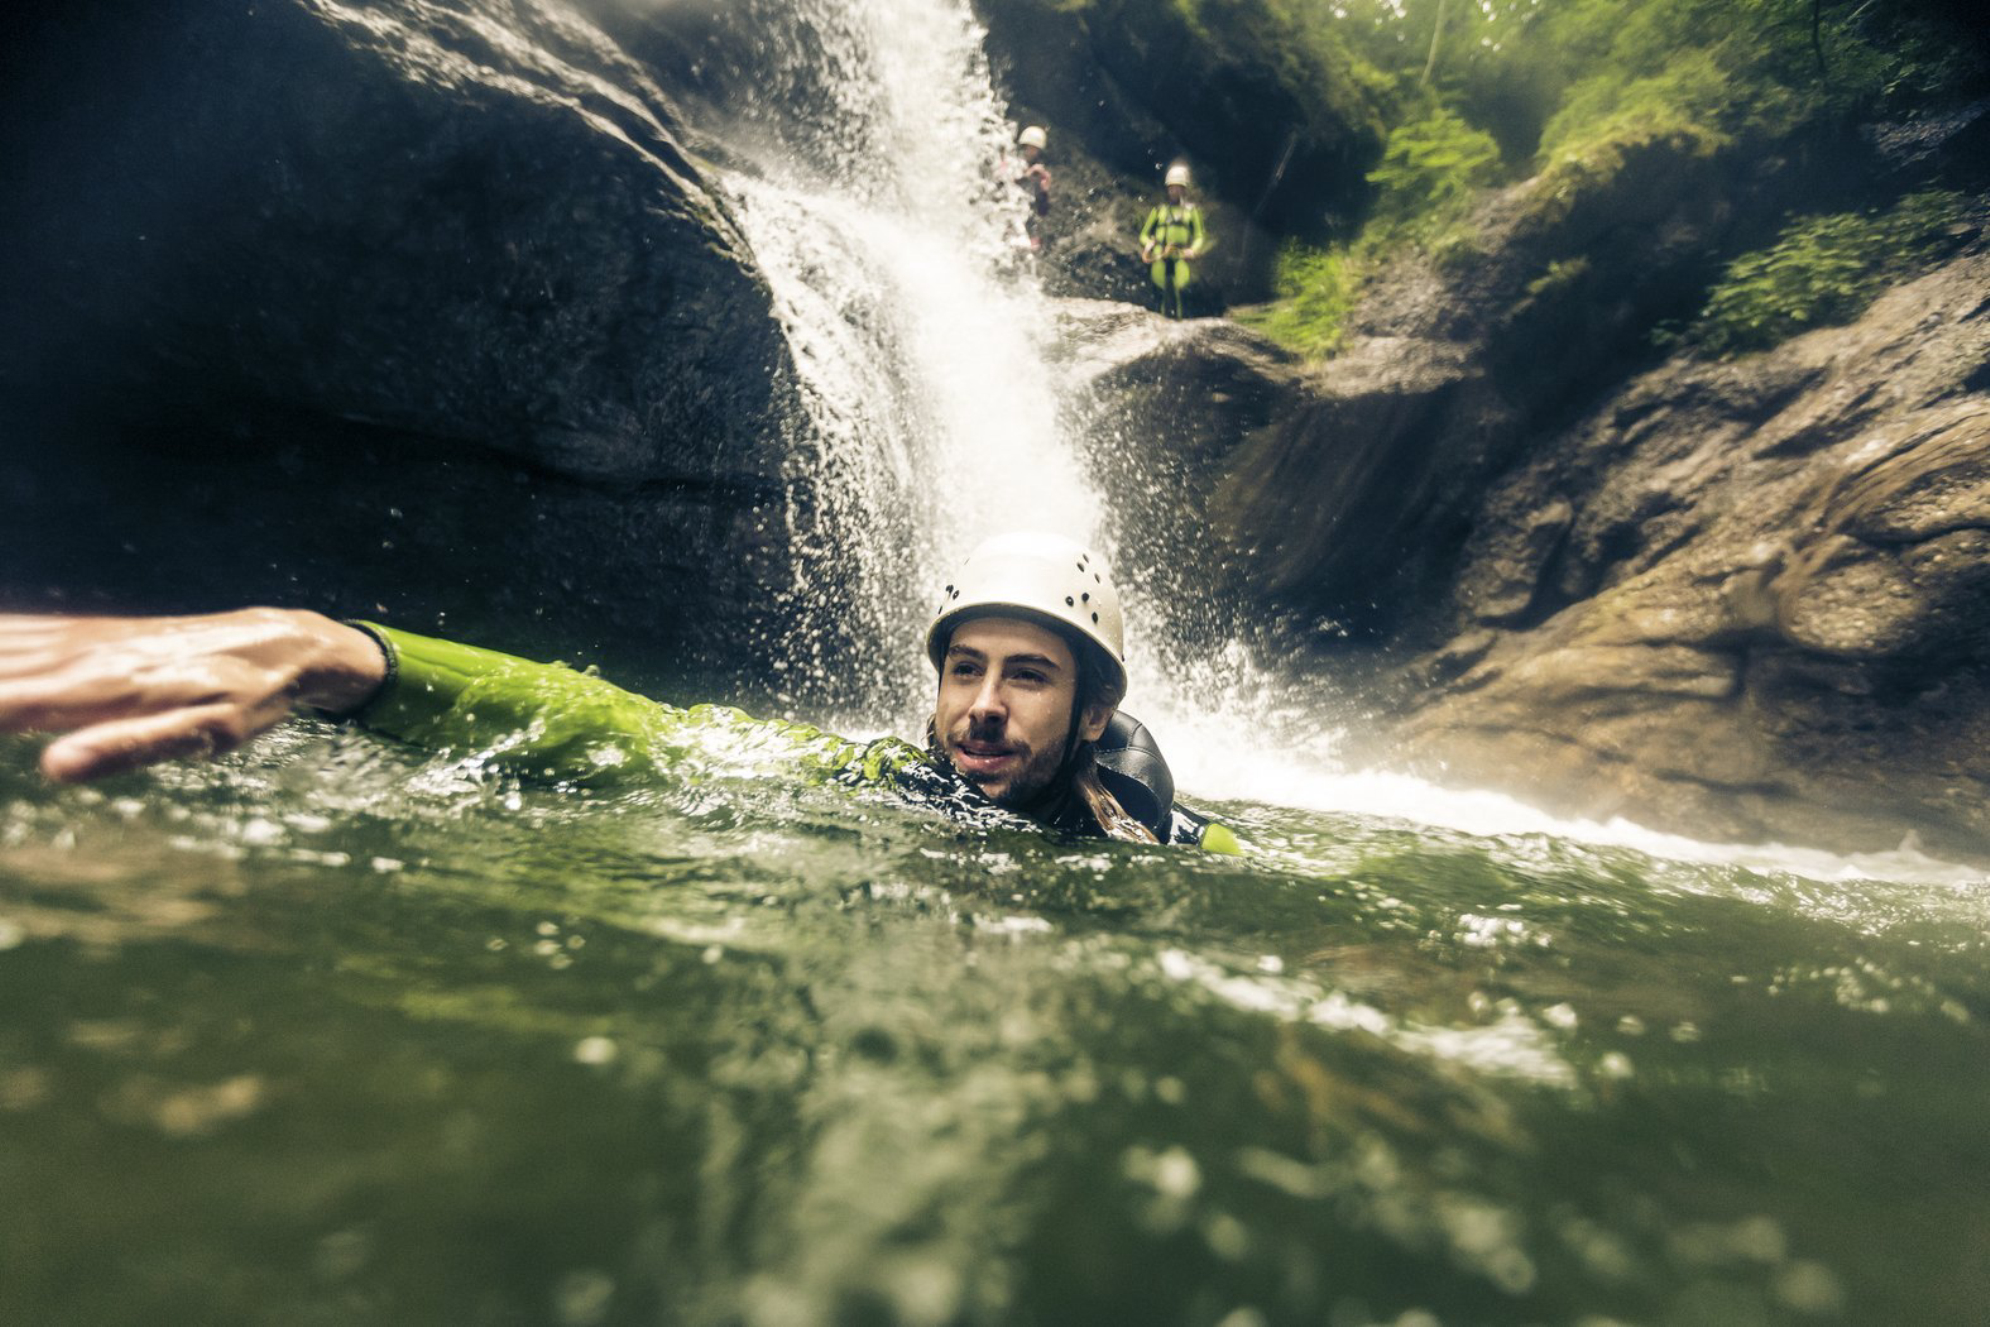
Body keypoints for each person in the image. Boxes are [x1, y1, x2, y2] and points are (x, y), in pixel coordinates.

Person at [0, 532, 1238, 851]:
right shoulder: (889, 786)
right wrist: (357, 657)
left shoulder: (1164, 842)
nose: (980, 703)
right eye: (963, 667)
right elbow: (652, 739)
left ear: (1089, 714)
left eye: (1027, 676)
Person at [1138, 163, 1208, 320]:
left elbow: (1199, 236)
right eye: (1171, 187)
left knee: (1181, 295)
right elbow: (1143, 234)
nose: (1174, 190)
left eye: (1178, 187)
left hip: (1180, 258)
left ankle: (1181, 325)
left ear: (1184, 189)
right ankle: (1159, 326)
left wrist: (1193, 250)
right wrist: (1148, 243)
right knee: (1160, 295)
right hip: (1160, 258)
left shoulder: (1192, 212)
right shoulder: (1158, 211)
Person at [1005, 125, 1052, 254]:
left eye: (1036, 149)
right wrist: (1027, 175)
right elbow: (1005, 183)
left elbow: (1042, 211)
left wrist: (1044, 191)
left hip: (1021, 220)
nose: (1032, 152)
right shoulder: (1011, 161)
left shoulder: (1038, 174)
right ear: (1023, 146)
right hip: (1004, 212)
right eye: (1030, 147)